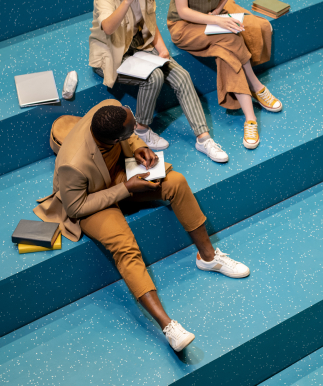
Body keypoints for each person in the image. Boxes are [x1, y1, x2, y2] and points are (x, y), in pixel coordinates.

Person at [34, 100, 250, 352]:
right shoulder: (72, 164)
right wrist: (125, 189)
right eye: (131, 128)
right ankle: (168, 327)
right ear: (114, 139)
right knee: (125, 247)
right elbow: (76, 208)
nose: (136, 125)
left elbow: (129, 137)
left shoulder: (110, 108)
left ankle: (209, 257)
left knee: (176, 181)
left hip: (117, 173)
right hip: (92, 200)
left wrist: (138, 146)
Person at [89, 0, 228, 163]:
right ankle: (141, 130)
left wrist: (163, 51)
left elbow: (150, 26)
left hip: (139, 48)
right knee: (153, 77)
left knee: (181, 75)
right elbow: (107, 27)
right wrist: (126, 1)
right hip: (112, 54)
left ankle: (204, 139)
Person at [168, 0, 280, 150]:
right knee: (230, 34)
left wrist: (218, 12)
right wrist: (217, 22)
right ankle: (257, 87)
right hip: (184, 26)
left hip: (210, 18)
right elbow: (183, 11)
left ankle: (250, 118)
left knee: (228, 45)